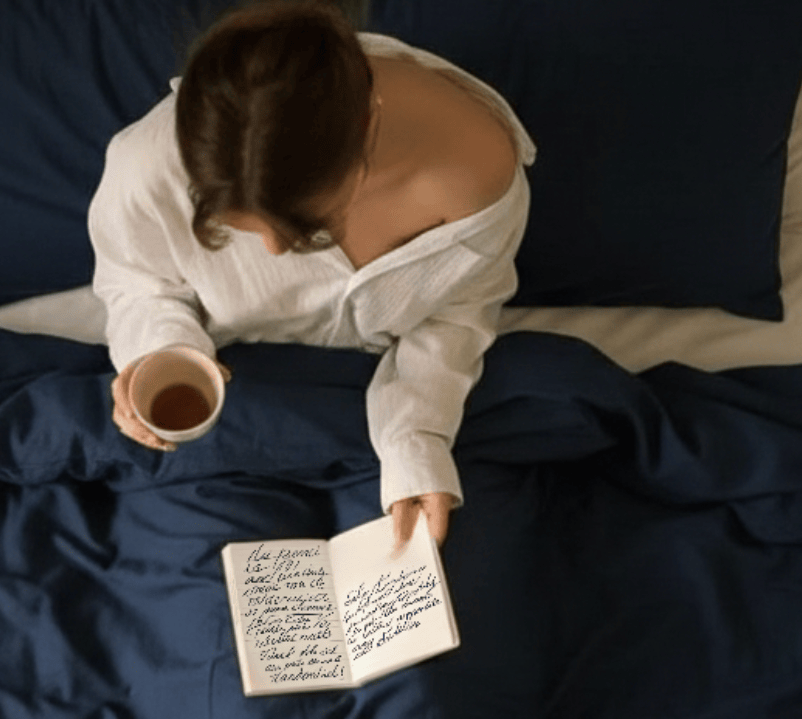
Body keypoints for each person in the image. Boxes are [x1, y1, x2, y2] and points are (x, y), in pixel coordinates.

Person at [90, 0, 536, 550]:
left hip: (388, 413)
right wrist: (161, 349)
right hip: (241, 406)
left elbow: (457, 310)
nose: (275, 252)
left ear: (365, 129)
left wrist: (416, 444)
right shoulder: (147, 167)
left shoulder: (474, 175)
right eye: (240, 229)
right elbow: (135, 281)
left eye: (309, 226)